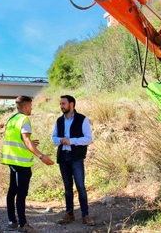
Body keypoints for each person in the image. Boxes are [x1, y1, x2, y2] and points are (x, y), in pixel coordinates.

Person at [2, 95, 54, 233]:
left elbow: (17, 139)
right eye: (31, 106)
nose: (31, 108)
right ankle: (23, 225)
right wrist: (41, 156)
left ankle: (12, 221)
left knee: (12, 190)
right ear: (26, 106)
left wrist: (29, 143)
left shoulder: (12, 119)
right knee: (21, 193)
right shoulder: (24, 119)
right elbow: (25, 139)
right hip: (22, 163)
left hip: (11, 160)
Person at [52, 95, 95, 226]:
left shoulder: (82, 119)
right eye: (60, 104)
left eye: (63, 104)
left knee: (81, 187)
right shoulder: (59, 121)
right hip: (63, 157)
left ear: (71, 104)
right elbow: (54, 138)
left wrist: (72, 141)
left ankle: (85, 215)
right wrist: (61, 140)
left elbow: (88, 139)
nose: (61, 106)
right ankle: (69, 213)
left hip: (76, 157)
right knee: (67, 187)